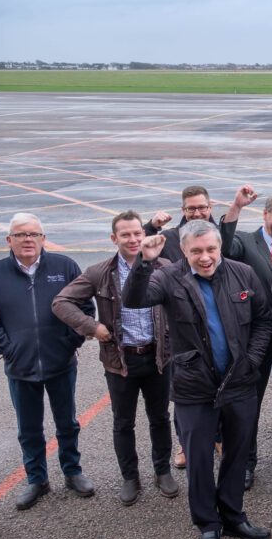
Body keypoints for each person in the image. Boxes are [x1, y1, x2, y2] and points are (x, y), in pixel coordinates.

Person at [124, 221, 272, 539]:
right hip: (194, 386)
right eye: (196, 251)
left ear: (219, 247)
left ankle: (234, 516)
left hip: (239, 382)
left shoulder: (243, 274)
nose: (205, 257)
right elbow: (133, 300)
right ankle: (208, 524)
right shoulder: (168, 277)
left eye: (210, 250)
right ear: (185, 251)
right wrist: (144, 261)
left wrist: (251, 360)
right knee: (200, 459)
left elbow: (264, 318)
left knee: (236, 453)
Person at [52, 210, 179, 506]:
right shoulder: (100, 272)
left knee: (160, 418)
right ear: (114, 238)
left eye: (137, 233)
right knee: (123, 422)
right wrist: (93, 327)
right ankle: (130, 477)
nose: (134, 239)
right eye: (126, 235)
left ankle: (162, 471)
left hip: (158, 356)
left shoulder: (164, 266)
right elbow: (61, 302)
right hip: (120, 361)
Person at [0, 213, 95, 510]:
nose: (28, 239)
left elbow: (85, 308)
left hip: (60, 363)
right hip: (20, 367)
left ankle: (72, 471)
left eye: (34, 234)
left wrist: (70, 343)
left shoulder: (64, 267)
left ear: (43, 238)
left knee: (67, 423)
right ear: (9, 240)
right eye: (21, 234)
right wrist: (8, 348)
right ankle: (36, 479)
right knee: (28, 429)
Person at [143, 184, 240, 469]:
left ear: (210, 208)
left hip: (215, 318)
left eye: (202, 207)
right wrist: (150, 226)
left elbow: (231, 248)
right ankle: (185, 444)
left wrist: (237, 206)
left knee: (220, 386)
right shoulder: (172, 237)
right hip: (182, 326)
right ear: (182, 211)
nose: (197, 212)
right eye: (190, 208)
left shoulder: (217, 233)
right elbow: (142, 247)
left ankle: (219, 436)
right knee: (184, 390)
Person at [221, 191, 272, 489]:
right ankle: (246, 462)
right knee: (250, 402)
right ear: (265, 215)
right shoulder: (246, 242)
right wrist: (236, 206)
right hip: (253, 338)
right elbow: (224, 244)